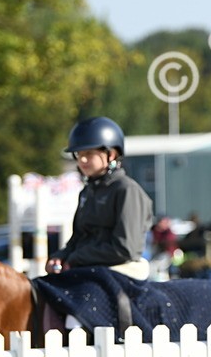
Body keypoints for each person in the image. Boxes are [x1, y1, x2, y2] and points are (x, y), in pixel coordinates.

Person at [46, 117, 154, 281]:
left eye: (89, 154)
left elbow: (125, 249)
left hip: (120, 272)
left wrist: (75, 259)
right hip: (88, 268)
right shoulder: (87, 192)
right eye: (79, 154)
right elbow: (78, 238)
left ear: (111, 155)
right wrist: (60, 256)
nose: (82, 160)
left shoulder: (127, 190)